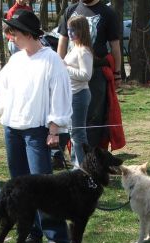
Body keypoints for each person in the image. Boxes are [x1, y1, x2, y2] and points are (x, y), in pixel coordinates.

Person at [0, 10, 73, 243]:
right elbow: (5, 91)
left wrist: (54, 129)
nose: (11, 37)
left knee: (44, 187)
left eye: (14, 32)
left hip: (37, 131)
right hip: (13, 129)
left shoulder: (52, 61)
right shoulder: (15, 61)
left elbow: (59, 97)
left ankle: (58, 237)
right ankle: (29, 231)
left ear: (28, 34)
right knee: (20, 188)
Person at [57, 0, 123, 149]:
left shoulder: (108, 13)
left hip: (97, 74)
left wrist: (117, 72)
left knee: (95, 118)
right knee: (73, 120)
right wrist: (58, 68)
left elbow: (115, 46)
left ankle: (95, 158)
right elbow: (62, 42)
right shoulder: (70, 11)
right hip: (72, 76)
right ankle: (78, 158)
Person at [64, 15, 93, 167]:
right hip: (71, 95)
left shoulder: (83, 51)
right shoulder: (73, 48)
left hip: (79, 95)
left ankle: (84, 168)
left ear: (81, 31)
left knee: (78, 134)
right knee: (73, 134)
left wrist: (66, 68)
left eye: (73, 29)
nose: (69, 33)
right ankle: (78, 164)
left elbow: (86, 75)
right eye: (69, 29)